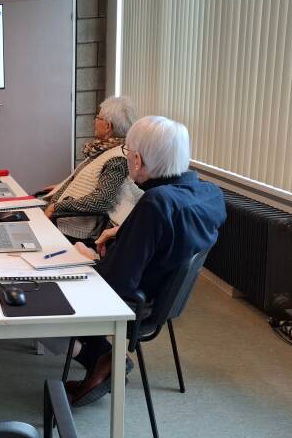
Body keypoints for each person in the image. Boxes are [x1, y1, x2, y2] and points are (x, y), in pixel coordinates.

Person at [65, 116, 226, 406]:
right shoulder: (209, 193)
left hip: (134, 301)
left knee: (44, 297)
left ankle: (102, 358)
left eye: (128, 152)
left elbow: (117, 283)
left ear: (138, 160)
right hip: (164, 297)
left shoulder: (156, 203)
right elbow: (176, 234)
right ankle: (104, 359)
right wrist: (123, 231)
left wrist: (85, 260)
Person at [42, 96, 139, 239]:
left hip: (69, 229)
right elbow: (89, 181)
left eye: (97, 118)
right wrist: (62, 187)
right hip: (58, 219)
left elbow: (101, 201)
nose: (94, 122)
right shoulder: (103, 150)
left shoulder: (117, 159)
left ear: (108, 126)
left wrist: (56, 207)